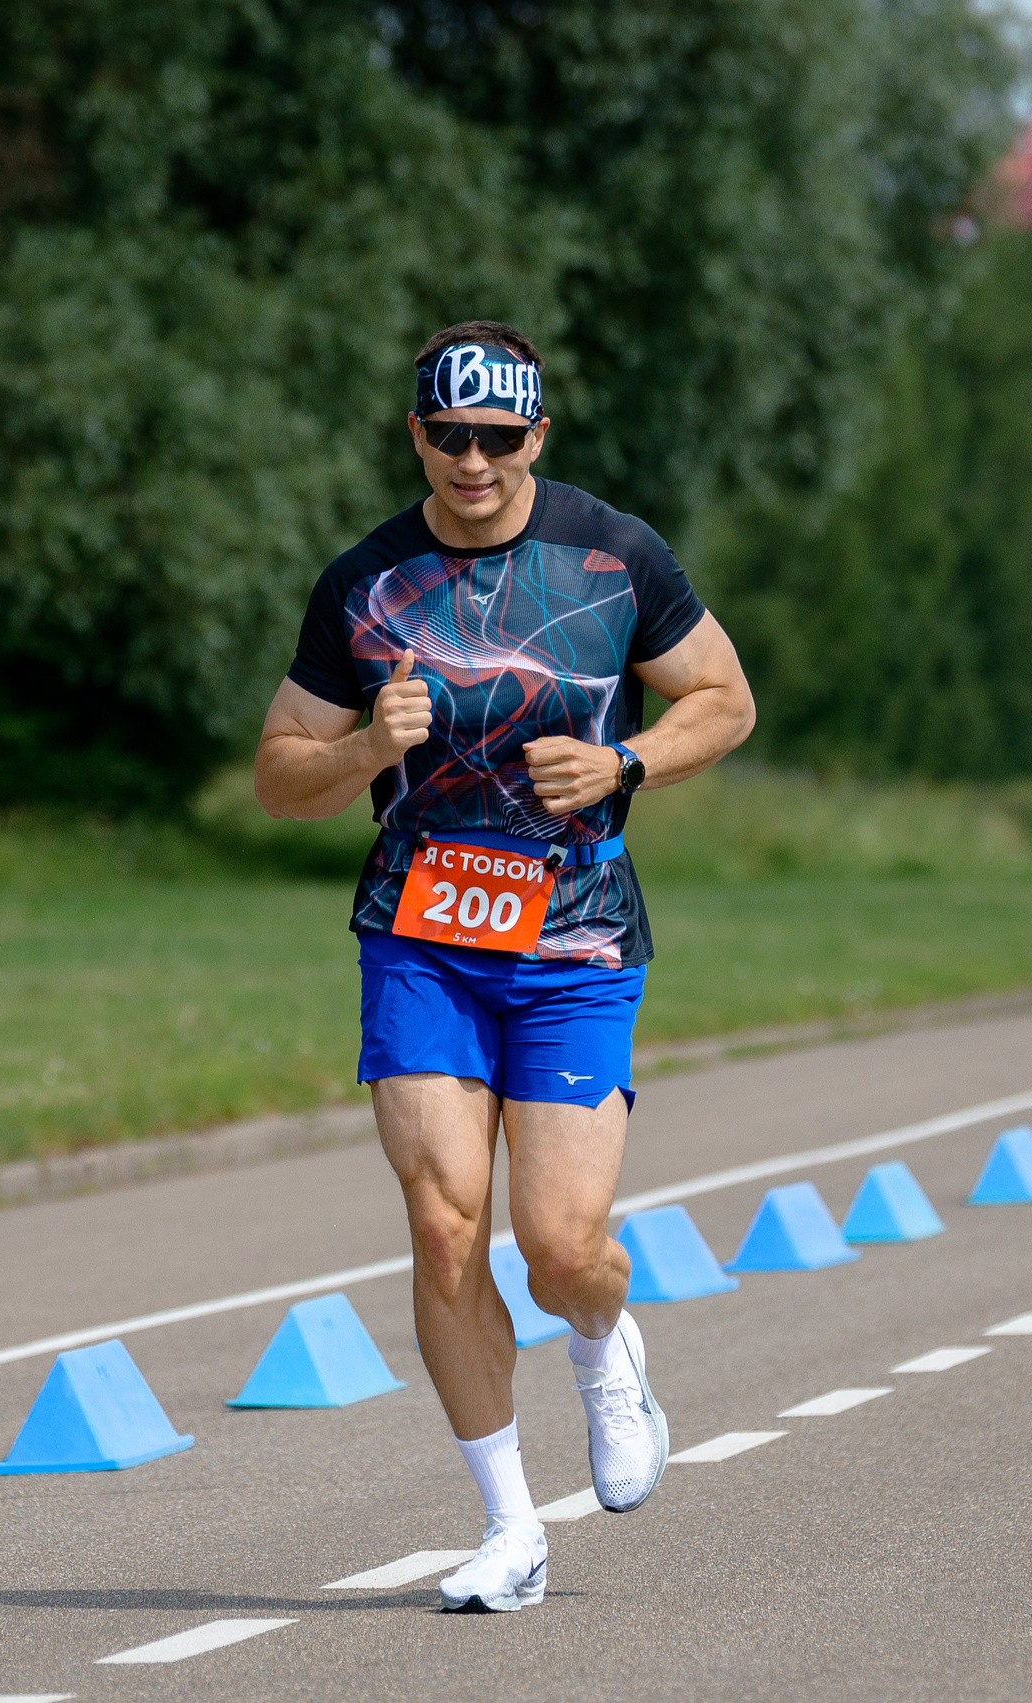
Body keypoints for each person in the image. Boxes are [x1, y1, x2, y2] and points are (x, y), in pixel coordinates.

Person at [253, 322, 755, 1613]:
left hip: (575, 938)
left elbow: (722, 697)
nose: (472, 460)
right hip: (419, 933)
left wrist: (630, 760)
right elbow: (279, 774)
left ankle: (604, 1340)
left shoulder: (613, 551)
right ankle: (509, 1524)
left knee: (560, 1239)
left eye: (499, 437)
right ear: (415, 431)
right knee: (441, 1221)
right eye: (447, 434)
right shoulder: (365, 581)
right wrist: (368, 741)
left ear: (538, 433)